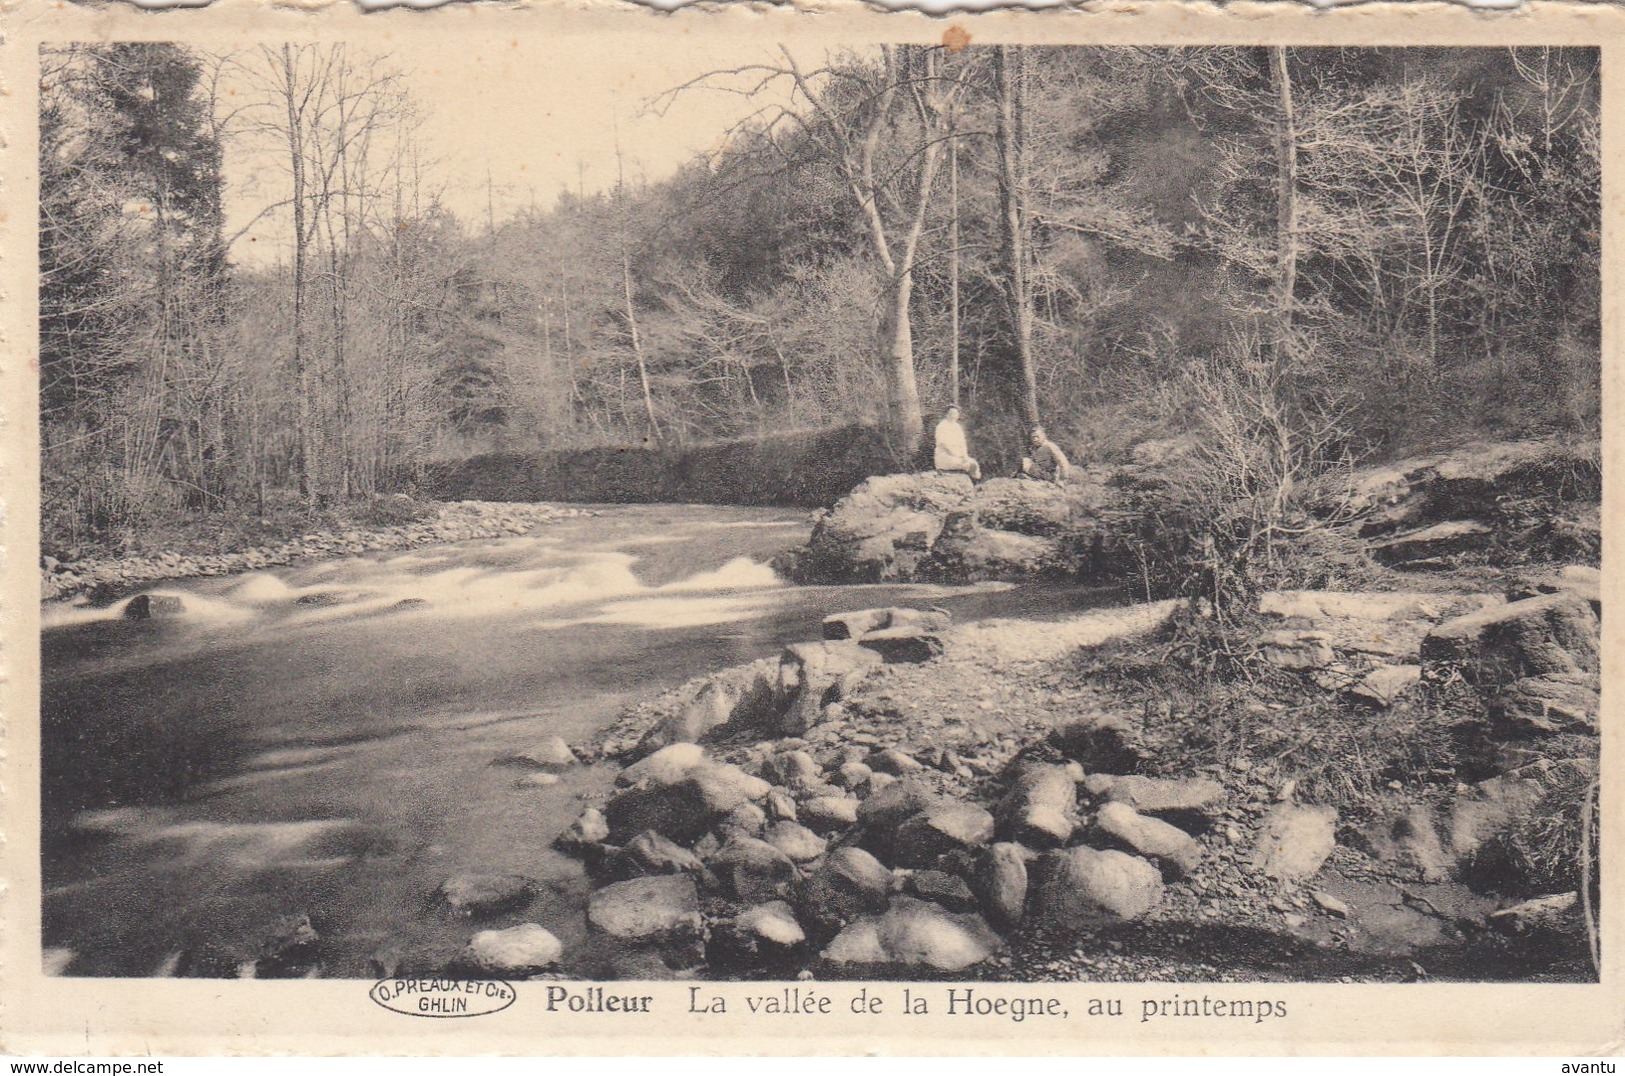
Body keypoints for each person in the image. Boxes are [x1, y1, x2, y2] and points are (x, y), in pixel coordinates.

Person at [933, 405, 981, 481]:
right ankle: (970, 484)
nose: (953, 416)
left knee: (974, 463)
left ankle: (975, 485)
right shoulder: (942, 426)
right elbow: (944, 444)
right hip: (945, 457)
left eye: (956, 414)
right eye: (951, 414)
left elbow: (962, 443)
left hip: (957, 456)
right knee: (969, 465)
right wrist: (958, 455)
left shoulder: (957, 427)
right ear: (947, 415)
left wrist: (964, 455)